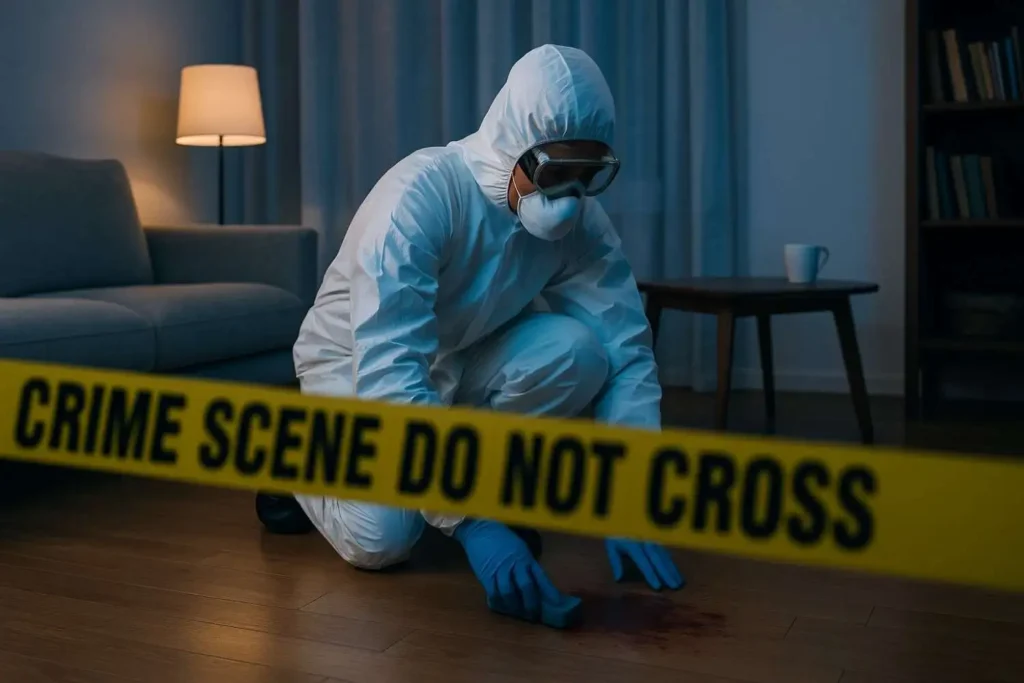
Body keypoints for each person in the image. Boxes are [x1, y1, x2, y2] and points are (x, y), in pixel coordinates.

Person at [259, 44, 684, 627]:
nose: (570, 198)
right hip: (355, 366)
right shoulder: (418, 198)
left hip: (456, 358)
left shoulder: (583, 223)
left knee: (582, 353)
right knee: (383, 539)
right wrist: (474, 525)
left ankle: (456, 487)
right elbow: (391, 369)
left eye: (587, 175)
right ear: (516, 144)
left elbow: (626, 347)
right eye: (557, 173)